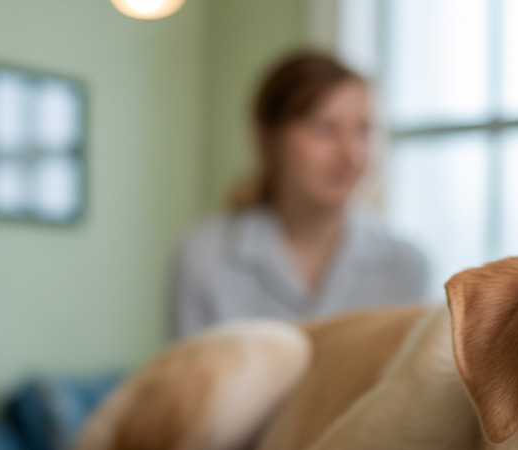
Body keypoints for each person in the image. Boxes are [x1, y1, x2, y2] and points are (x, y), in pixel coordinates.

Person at [169, 51, 428, 340]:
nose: (351, 155)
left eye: (363, 131)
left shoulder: (407, 266)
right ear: (265, 138)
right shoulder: (204, 258)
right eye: (325, 129)